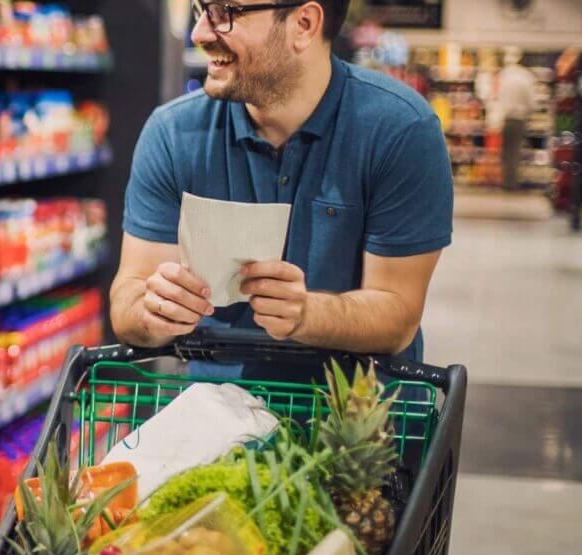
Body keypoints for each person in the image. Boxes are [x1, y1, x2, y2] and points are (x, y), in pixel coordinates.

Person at [110, 0, 453, 378]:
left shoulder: (399, 130)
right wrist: (152, 310)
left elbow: (398, 314)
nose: (200, 33)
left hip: (360, 423)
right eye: (200, 9)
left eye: (226, 13)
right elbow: (128, 299)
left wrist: (306, 313)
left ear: (303, 24)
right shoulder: (173, 133)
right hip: (217, 421)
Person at [496, 46, 536, 191]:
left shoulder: (503, 75)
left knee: (507, 152)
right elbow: (532, 101)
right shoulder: (527, 76)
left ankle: (507, 182)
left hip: (507, 119)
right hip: (520, 118)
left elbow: (498, 98)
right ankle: (513, 183)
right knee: (516, 151)